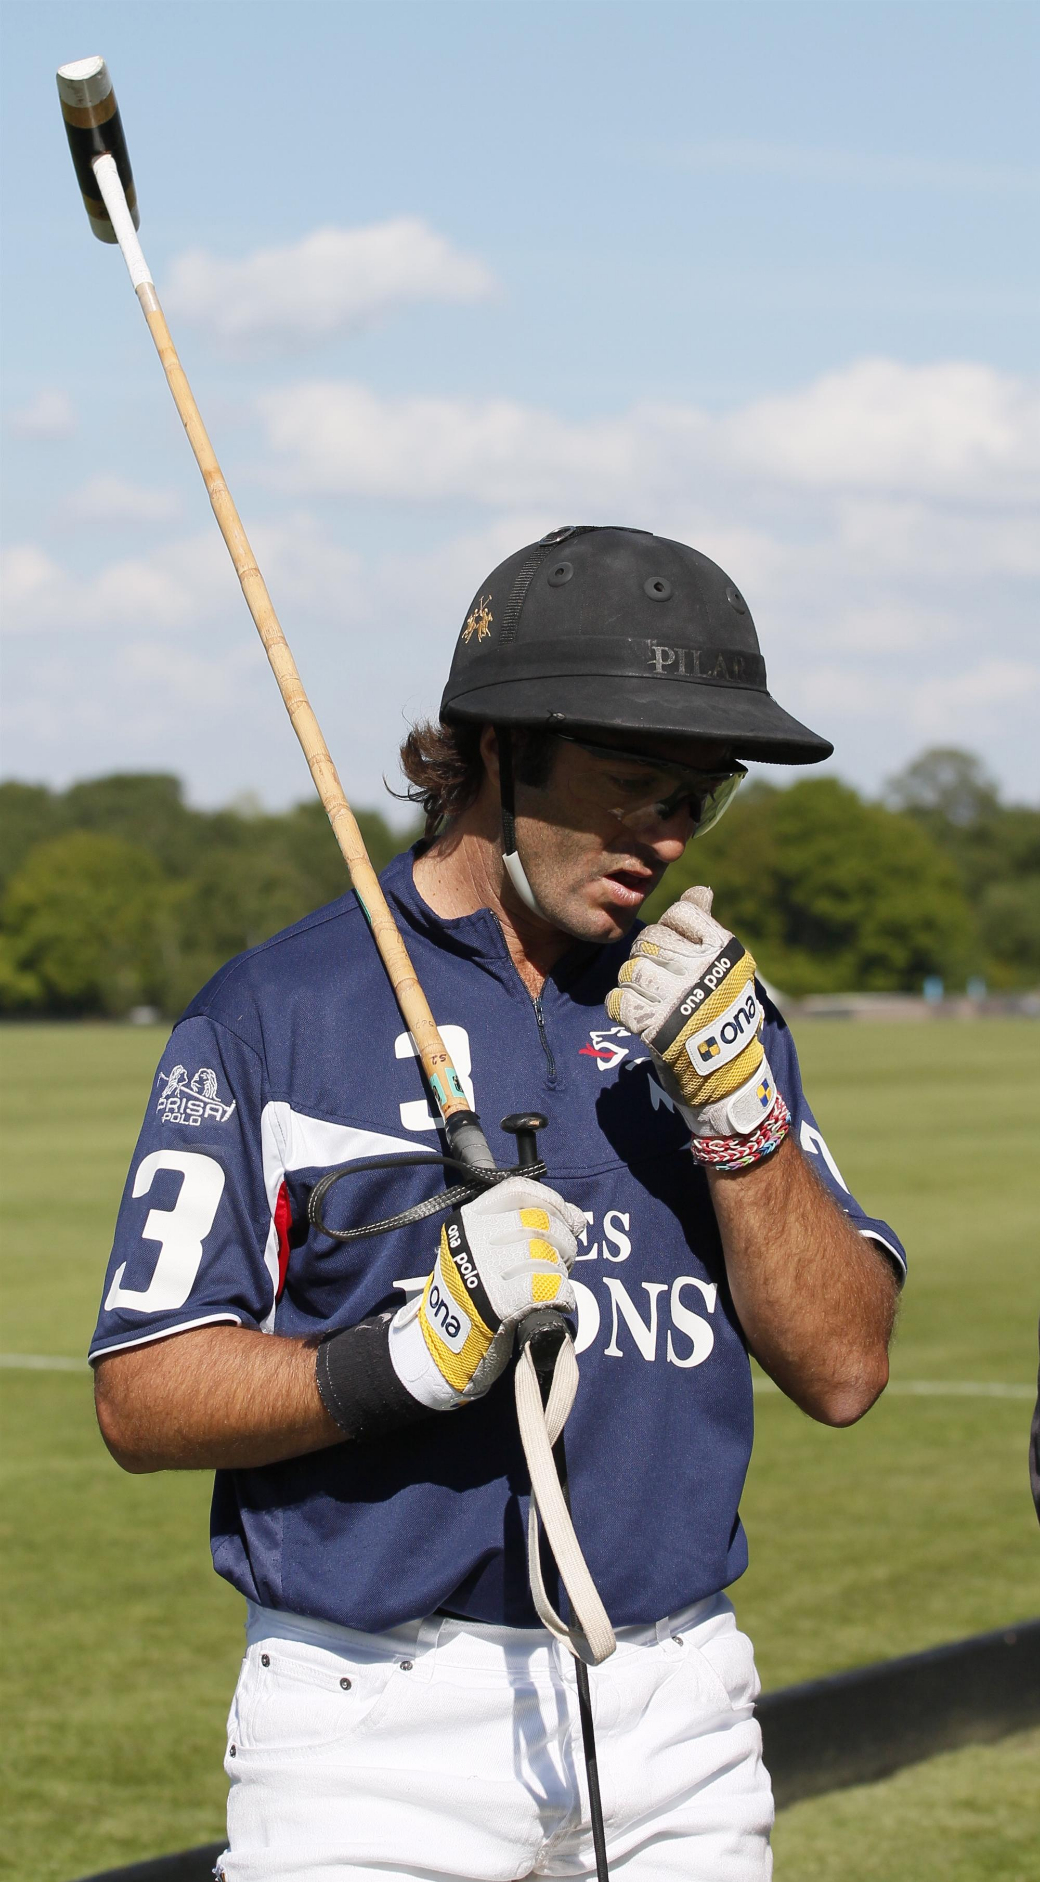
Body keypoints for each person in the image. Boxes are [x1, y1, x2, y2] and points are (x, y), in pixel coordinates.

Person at [90, 526, 905, 1882]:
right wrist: (403, 1358)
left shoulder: (704, 1008)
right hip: (371, 1724)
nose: (666, 835)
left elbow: (843, 1366)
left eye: (696, 798)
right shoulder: (277, 1011)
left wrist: (739, 1109)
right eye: (631, 783)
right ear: (492, 751)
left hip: (678, 1708)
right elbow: (144, 1393)